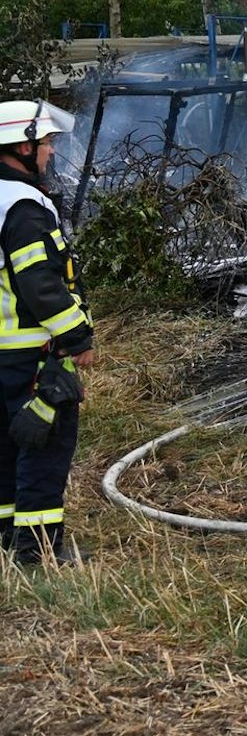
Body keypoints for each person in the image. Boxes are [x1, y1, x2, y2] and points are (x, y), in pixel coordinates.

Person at [0, 100, 94, 566]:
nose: (51, 153)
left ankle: (6, 540)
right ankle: (37, 553)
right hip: (29, 353)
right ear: (23, 144)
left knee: (6, 446)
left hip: (3, 356)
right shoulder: (24, 207)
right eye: (48, 143)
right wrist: (77, 337)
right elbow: (40, 282)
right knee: (43, 446)